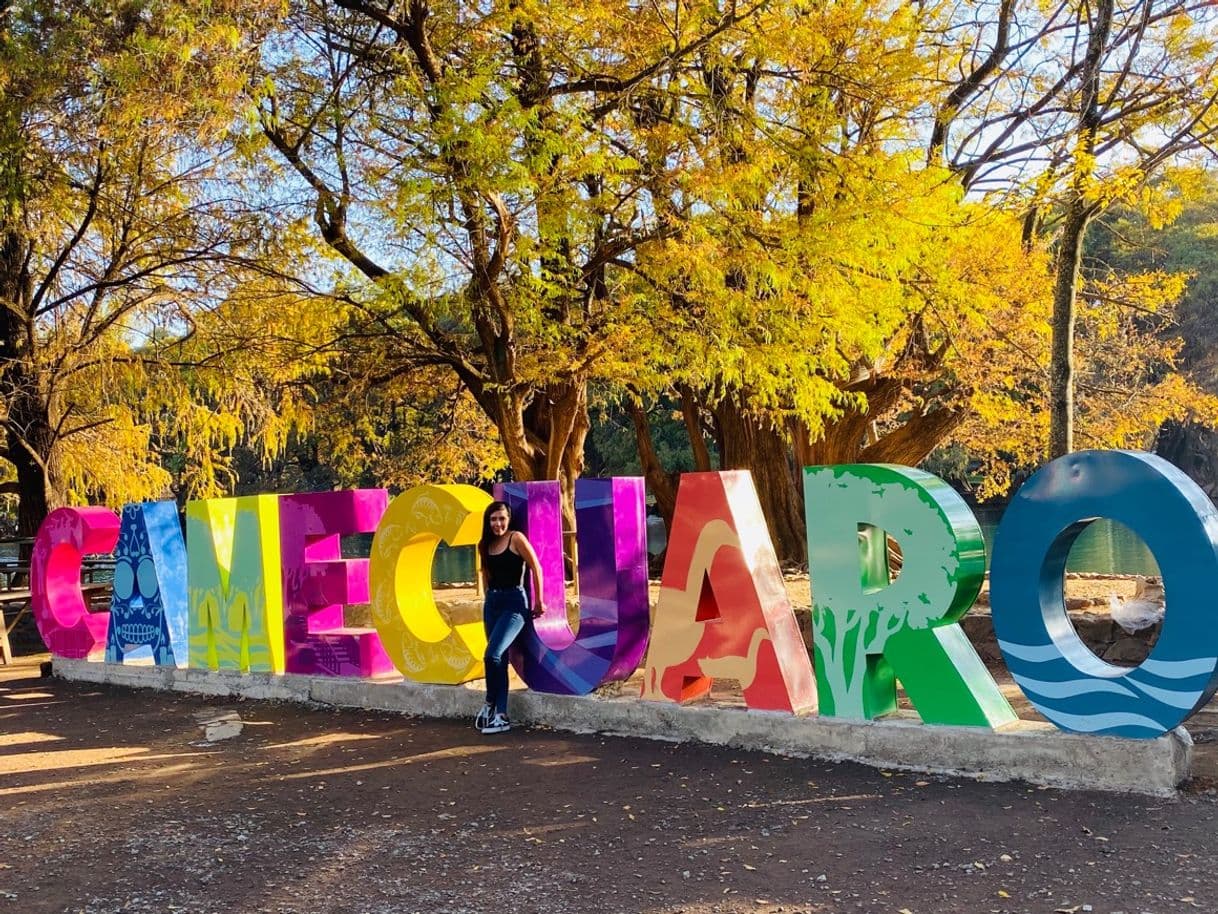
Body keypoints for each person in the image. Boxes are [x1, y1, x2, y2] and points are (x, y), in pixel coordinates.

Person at [475, 500, 545, 734]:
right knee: (499, 659)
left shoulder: (516, 538)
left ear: (509, 519)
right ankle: (499, 713)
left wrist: (539, 600)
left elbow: (536, 566)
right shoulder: (484, 544)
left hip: (515, 604)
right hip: (493, 604)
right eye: (493, 519)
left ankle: (490, 703)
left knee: (492, 655)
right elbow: (486, 573)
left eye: (501, 518)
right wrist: (488, 598)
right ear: (488, 521)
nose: (498, 523)